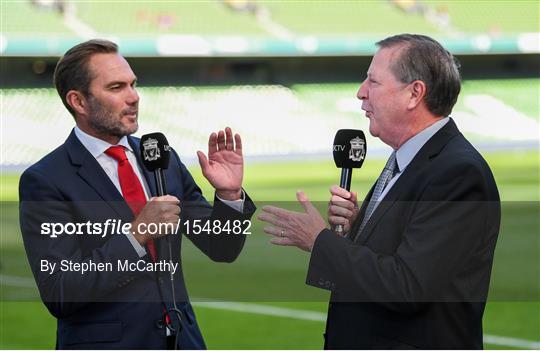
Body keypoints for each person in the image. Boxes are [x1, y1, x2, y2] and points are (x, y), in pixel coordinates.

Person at [259, 34, 500, 349]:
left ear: (414, 93)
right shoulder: (410, 160)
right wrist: (359, 230)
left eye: (373, 82)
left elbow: (409, 287)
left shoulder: (457, 172)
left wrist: (320, 241)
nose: (361, 92)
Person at [19, 39, 256, 349]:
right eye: (117, 87)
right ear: (78, 101)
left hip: (183, 342)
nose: (134, 97)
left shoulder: (160, 156)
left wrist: (229, 195)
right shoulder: (46, 180)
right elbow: (61, 292)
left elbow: (221, 247)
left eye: (133, 84)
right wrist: (137, 235)